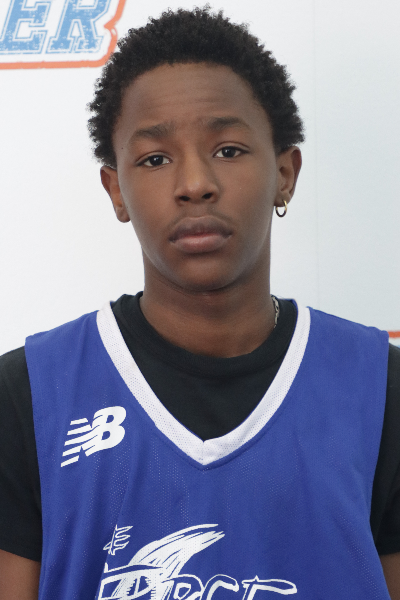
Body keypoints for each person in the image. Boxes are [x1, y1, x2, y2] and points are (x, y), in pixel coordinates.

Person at [0, 6, 399, 599]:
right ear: (116, 190)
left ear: (285, 172)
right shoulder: (28, 395)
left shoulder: (381, 386)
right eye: (155, 159)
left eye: (229, 150)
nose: (194, 184)